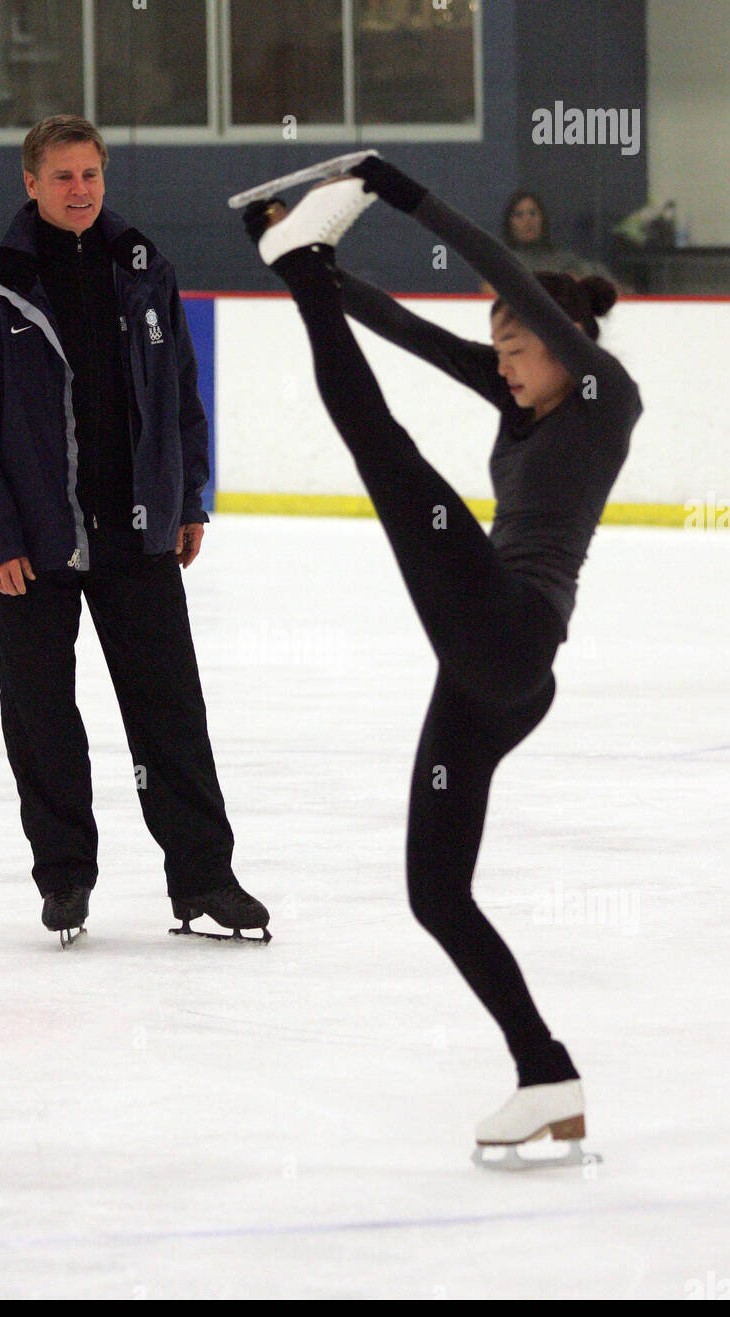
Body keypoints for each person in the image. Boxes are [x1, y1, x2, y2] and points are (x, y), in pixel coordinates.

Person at [238, 156, 642, 1159]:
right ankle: (544, 1071)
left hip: (512, 632)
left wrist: (403, 195)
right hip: (488, 673)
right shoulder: (523, 403)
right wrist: (312, 272)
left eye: (515, 345)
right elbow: (412, 333)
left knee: (384, 451)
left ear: (563, 343)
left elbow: (499, 268)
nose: (502, 362)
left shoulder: (603, 394)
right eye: (498, 348)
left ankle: (302, 269)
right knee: (434, 891)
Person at [0, 114, 269, 946]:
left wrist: (188, 498)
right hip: (34, 545)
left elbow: (180, 395)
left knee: (172, 717)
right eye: (62, 177)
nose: (79, 190)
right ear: (30, 184)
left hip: (138, 535)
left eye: (90, 174)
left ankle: (204, 879)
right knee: (42, 716)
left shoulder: (143, 267)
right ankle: (66, 879)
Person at [480, 187, 626, 294]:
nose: (527, 220)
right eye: (519, 215)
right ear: (509, 223)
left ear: (542, 219)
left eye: (533, 213)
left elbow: (607, 288)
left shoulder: (565, 261)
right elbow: (488, 292)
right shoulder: (502, 263)